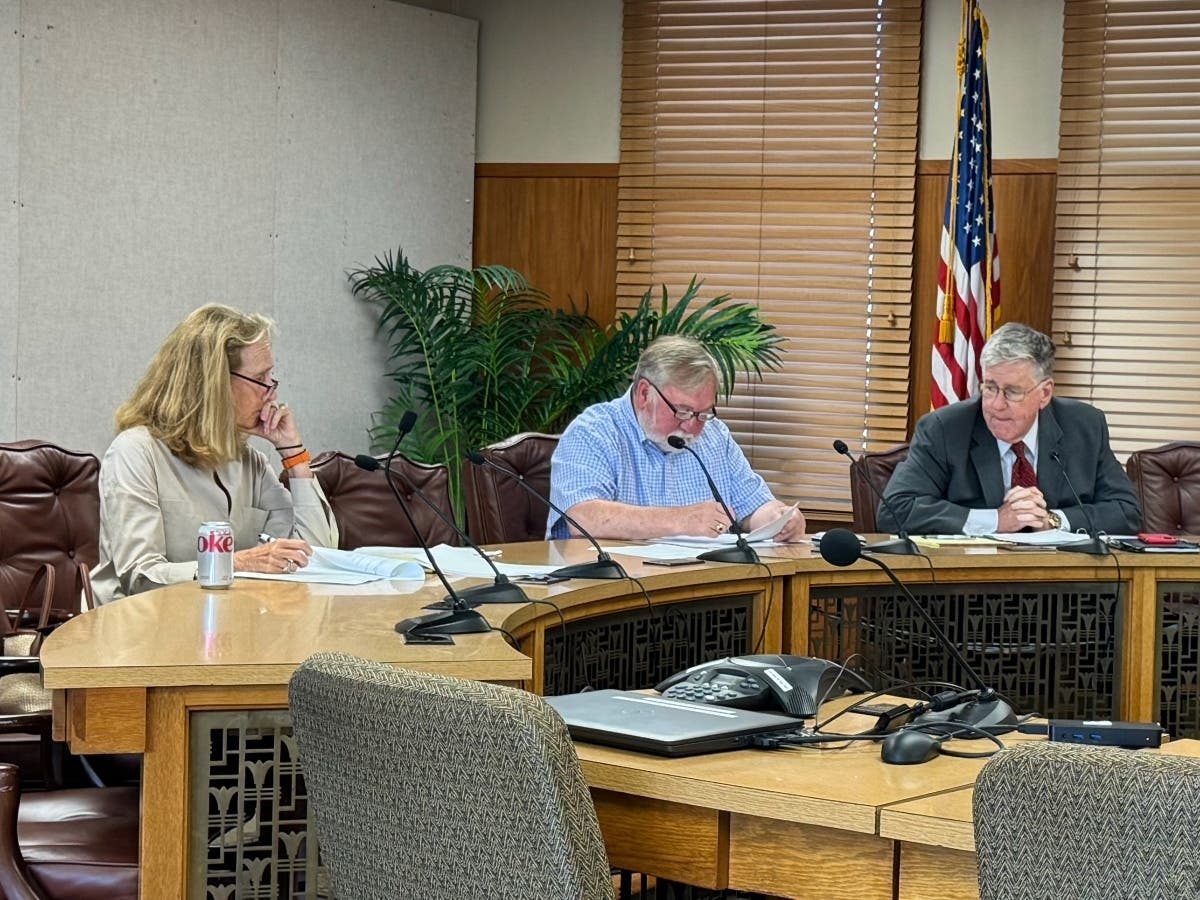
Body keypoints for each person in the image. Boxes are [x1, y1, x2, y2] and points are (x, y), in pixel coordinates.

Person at [92, 304, 339, 604]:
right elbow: (140, 578)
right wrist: (237, 564)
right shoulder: (135, 452)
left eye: (271, 377)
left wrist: (294, 454)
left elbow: (315, 556)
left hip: (227, 626)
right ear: (215, 384)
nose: (272, 392)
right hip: (142, 627)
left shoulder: (250, 462)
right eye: (261, 378)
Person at [878, 322, 1140, 536]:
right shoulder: (946, 429)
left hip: (1064, 579)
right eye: (990, 387)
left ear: (1045, 393)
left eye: (1012, 392)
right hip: (973, 579)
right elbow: (895, 510)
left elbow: (1127, 512)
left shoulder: (1083, 426)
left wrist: (1053, 520)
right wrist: (995, 520)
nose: (996, 404)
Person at [548, 335, 805, 542]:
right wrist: (681, 520)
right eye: (682, 412)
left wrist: (779, 518)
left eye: (703, 413)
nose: (692, 426)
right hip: (614, 585)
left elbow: (753, 507)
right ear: (644, 394)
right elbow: (582, 517)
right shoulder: (593, 431)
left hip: (701, 582)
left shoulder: (715, 436)